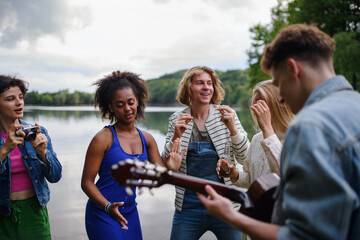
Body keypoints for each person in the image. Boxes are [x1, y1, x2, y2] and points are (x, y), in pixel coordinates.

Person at [198, 24, 360, 240]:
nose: (281, 96)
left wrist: (232, 217)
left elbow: (305, 236)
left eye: (278, 82)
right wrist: (234, 174)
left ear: (293, 69)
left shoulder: (309, 126)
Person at [81, 71, 183, 240]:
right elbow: (86, 183)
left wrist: (171, 168)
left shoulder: (147, 139)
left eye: (130, 102)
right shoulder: (102, 139)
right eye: (120, 105)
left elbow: (160, 177)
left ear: (138, 101)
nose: (127, 108)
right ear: (111, 107)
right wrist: (107, 206)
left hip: (130, 212)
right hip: (102, 212)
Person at [161, 66, 249, 240]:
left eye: (209, 83)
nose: (206, 87)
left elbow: (245, 158)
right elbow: (166, 164)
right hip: (187, 206)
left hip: (226, 203)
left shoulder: (228, 115)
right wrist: (176, 137)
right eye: (200, 83)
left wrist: (232, 127)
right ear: (189, 87)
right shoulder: (176, 119)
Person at [0, 75, 62, 240]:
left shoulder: (37, 132)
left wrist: (43, 153)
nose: (19, 103)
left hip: (34, 212)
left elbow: (55, 176)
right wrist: (6, 148)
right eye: (10, 99)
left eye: (21, 97)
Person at [217, 80, 294, 188]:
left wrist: (268, 129)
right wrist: (233, 174)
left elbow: (285, 175)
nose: (256, 109)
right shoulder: (257, 139)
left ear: (278, 105)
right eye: (255, 103)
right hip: (259, 204)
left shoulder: (295, 138)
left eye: (262, 104)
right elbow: (251, 179)